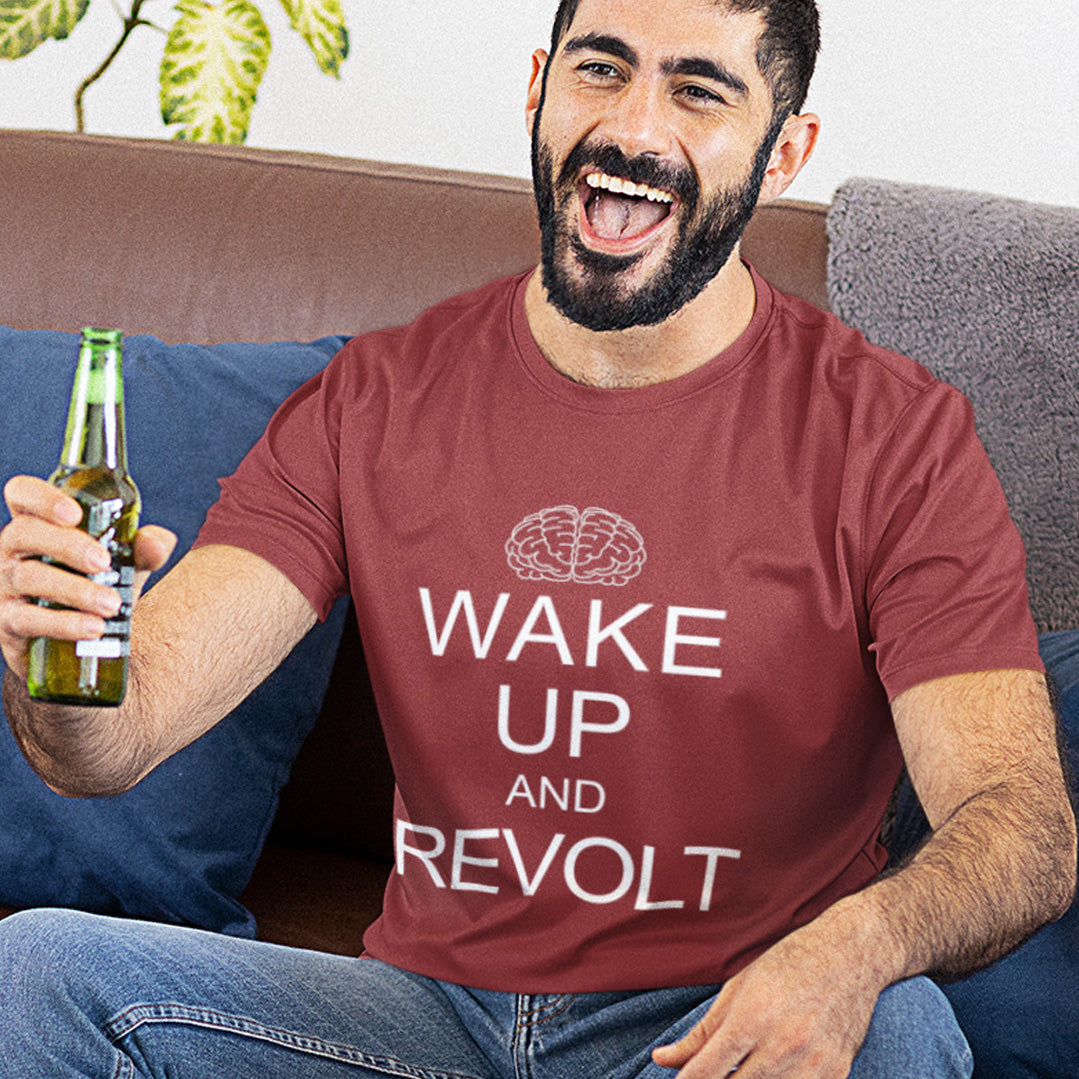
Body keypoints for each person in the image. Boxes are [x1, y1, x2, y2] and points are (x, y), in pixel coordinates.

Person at [0, 0, 1074, 1076]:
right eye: (600, 69)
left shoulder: (889, 435)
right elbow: (110, 743)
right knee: (36, 968)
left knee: (896, 1031)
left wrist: (854, 946)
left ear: (782, 150)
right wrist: (60, 659)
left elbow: (1020, 827)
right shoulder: (376, 398)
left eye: (698, 91)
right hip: (422, 1023)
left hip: (706, 1030)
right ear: (536, 88)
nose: (633, 129)